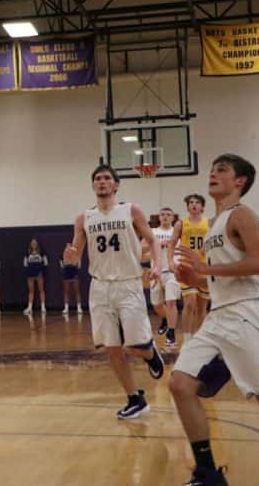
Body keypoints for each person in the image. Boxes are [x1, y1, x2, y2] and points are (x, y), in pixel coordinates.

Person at [169, 154, 259, 486]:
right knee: (180, 385)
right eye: (212, 169)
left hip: (245, 315)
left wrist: (204, 268)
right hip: (218, 316)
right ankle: (208, 474)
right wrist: (197, 278)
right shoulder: (214, 223)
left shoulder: (242, 214)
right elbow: (222, 279)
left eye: (222, 170)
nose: (213, 174)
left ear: (240, 181)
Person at [63, 164, 165, 420]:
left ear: (116, 185)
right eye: (97, 178)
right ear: (93, 185)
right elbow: (75, 257)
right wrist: (70, 257)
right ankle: (135, 399)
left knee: (137, 346)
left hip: (128, 283)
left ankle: (150, 354)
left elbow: (152, 240)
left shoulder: (131, 210)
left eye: (107, 178)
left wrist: (157, 266)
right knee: (112, 348)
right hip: (99, 287)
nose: (102, 181)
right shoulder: (83, 218)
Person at [170, 194, 210, 340]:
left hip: (204, 268)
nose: (194, 204)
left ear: (202, 207)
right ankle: (187, 339)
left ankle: (199, 338)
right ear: (188, 207)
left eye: (197, 202)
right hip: (186, 267)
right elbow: (172, 244)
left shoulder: (209, 223)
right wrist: (170, 261)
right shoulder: (181, 224)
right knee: (190, 302)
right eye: (191, 202)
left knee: (201, 307)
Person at [148, 207, 179, 349]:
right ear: (159, 217)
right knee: (156, 304)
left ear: (173, 218)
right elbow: (142, 249)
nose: (165, 217)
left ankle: (171, 333)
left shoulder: (176, 232)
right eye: (162, 214)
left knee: (171, 302)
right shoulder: (152, 232)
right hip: (156, 272)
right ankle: (166, 319)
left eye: (168, 214)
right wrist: (156, 245)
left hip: (172, 271)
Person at [22, 238, 48, 315]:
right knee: (31, 291)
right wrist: (29, 271)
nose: (34, 244)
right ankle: (30, 308)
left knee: (41, 290)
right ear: (30, 244)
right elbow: (25, 264)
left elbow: (46, 263)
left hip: (39, 274)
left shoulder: (42, 252)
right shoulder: (27, 253)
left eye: (35, 243)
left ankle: (43, 307)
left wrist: (40, 270)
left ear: (37, 244)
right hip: (30, 274)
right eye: (32, 243)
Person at [60, 243, 83, 315]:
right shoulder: (62, 256)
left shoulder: (76, 255)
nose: (68, 247)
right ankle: (66, 308)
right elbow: (62, 266)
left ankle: (79, 308)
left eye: (70, 245)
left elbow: (79, 266)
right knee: (66, 291)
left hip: (74, 273)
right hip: (66, 273)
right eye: (67, 246)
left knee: (77, 291)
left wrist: (74, 263)